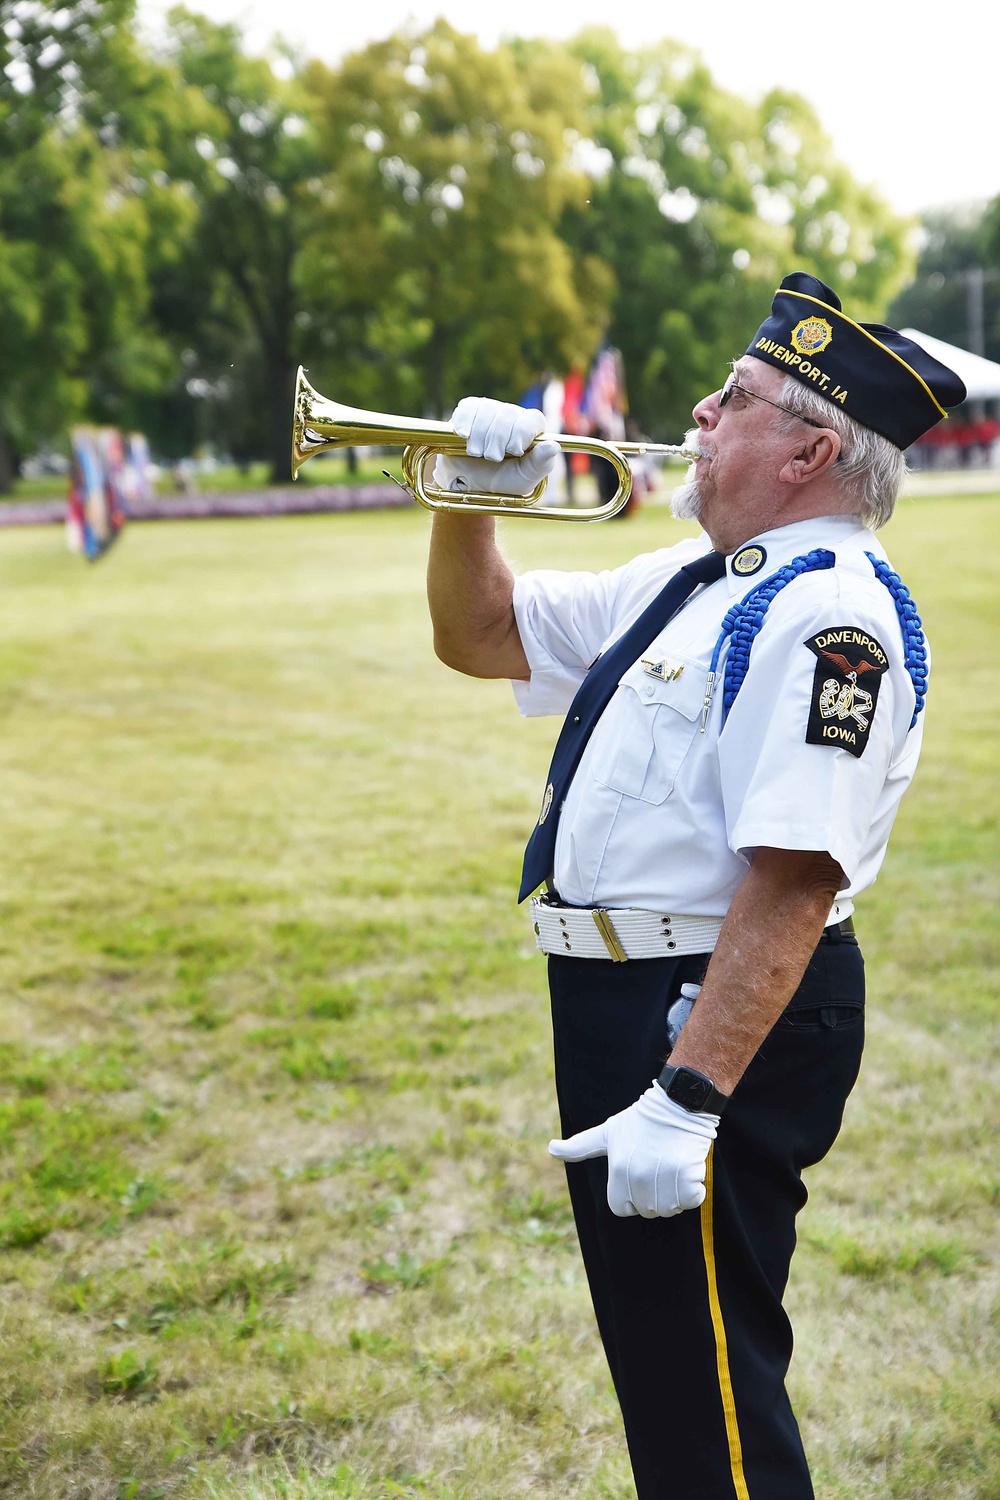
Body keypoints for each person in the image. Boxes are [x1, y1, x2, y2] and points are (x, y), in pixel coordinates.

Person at [424, 272, 966, 1500]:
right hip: (637, 999)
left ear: (810, 449)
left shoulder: (835, 618)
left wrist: (687, 1095)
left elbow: (793, 874)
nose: (701, 410)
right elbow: (480, 633)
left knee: (705, 1394)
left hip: (705, 1012)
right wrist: (466, 498)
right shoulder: (699, 577)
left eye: (737, 396)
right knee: (671, 1375)